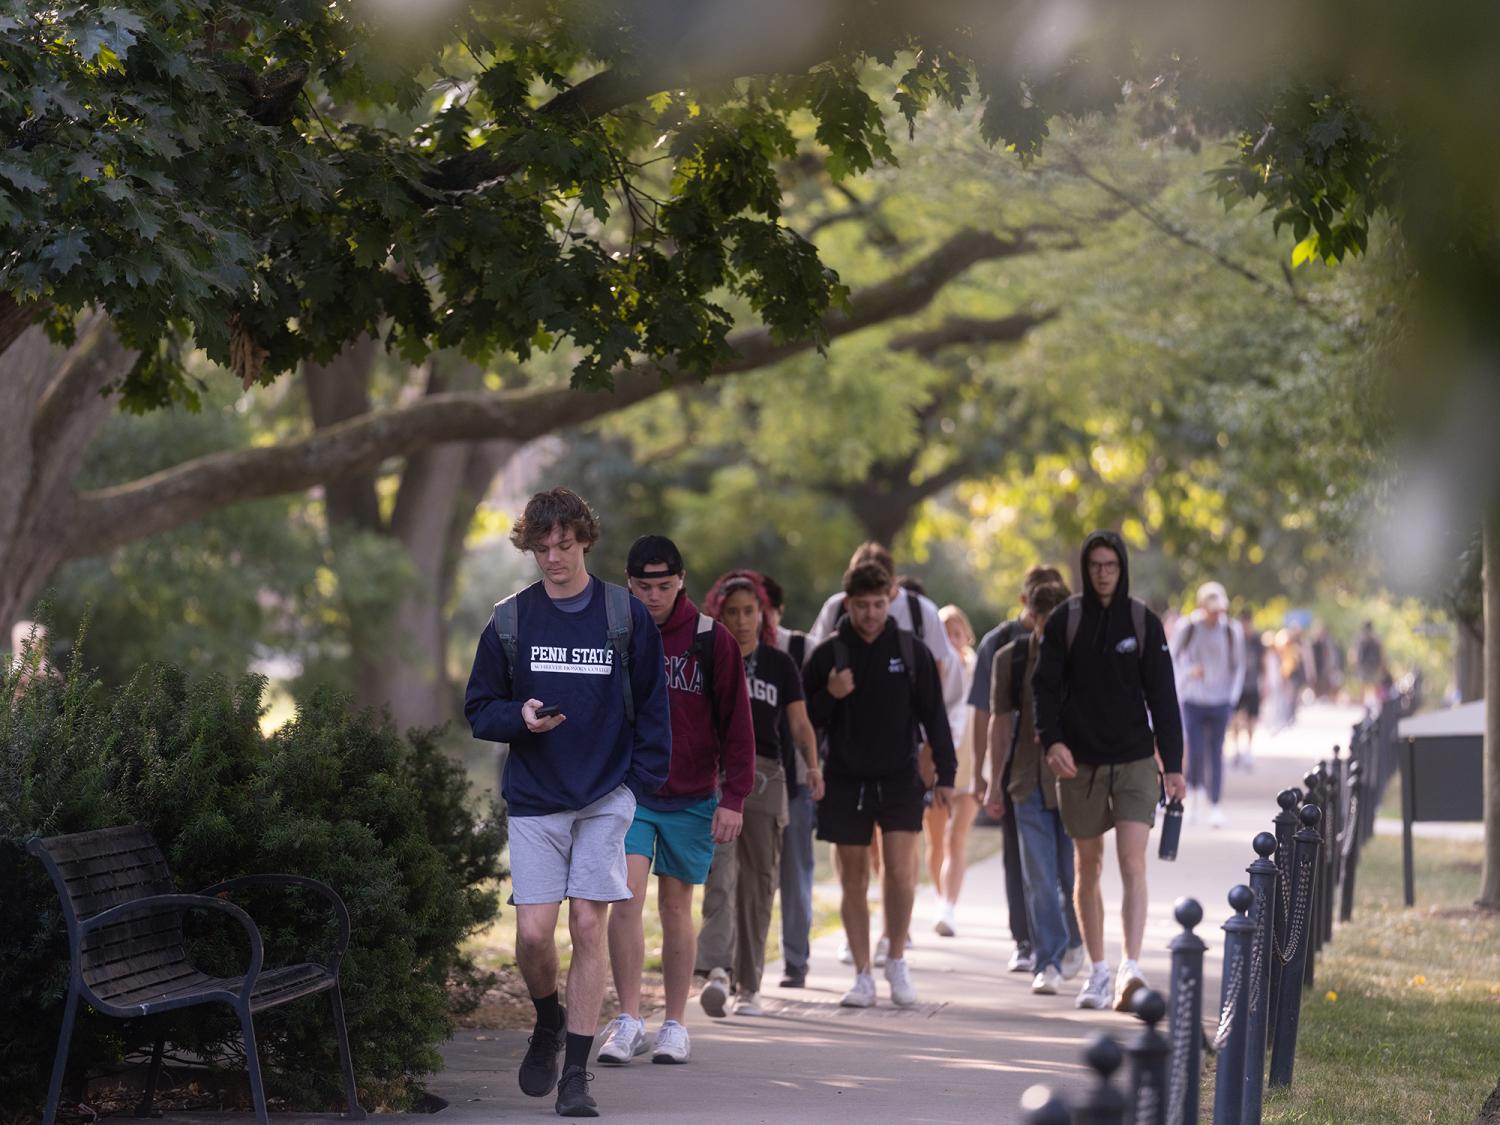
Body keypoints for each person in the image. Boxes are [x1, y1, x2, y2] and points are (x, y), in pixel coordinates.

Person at [465, 488, 672, 1118]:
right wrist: (519, 717)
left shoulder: (623, 615)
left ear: (585, 538)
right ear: (529, 546)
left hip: (605, 797)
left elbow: (653, 708)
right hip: (535, 799)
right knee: (532, 934)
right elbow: (479, 708)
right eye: (541, 547)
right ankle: (549, 1018)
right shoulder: (511, 620)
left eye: (564, 544)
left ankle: (576, 1076)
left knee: (588, 923)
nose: (552, 557)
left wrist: (636, 786)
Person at [601, 536, 754, 1067]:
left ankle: (674, 1024)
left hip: (692, 795)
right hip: (633, 792)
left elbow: (738, 725)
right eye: (643, 586)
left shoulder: (714, 641)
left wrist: (734, 796)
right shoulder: (617, 636)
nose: (654, 596)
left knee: (675, 907)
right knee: (626, 897)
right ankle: (627, 1018)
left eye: (664, 585)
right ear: (629, 584)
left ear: (682, 581)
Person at [1032, 530, 1185, 1012]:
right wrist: (1051, 740)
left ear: (1121, 569)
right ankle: (1097, 971)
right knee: (1087, 865)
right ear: (1085, 568)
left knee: (1132, 862)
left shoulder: (1141, 621)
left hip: (1136, 760)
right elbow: (1044, 689)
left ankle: (1130, 967)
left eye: (1111, 565)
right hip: (1080, 761)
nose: (1103, 573)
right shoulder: (1066, 620)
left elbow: (1163, 695)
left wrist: (1174, 765)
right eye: (1095, 565)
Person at [803, 561, 956, 1009]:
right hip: (845, 778)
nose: (870, 614)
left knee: (902, 872)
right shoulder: (829, 655)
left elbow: (936, 718)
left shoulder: (911, 651)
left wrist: (946, 773)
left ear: (889, 600)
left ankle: (897, 959)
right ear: (847, 603)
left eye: (877, 604)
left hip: (900, 777)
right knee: (852, 877)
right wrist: (829, 694)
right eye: (861, 605)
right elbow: (803, 723)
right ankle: (863, 974)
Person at [693, 572, 824, 1016]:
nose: (743, 620)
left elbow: (800, 724)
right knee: (720, 875)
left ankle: (749, 986)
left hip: (768, 779)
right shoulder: (709, 658)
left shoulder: (779, 665)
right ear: (720, 615)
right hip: (719, 778)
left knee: (758, 885)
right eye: (733, 612)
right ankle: (716, 972)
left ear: (762, 615)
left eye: (750, 612)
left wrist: (813, 766)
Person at [986, 578, 1085, 995]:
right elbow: (999, 722)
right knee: (1040, 876)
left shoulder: (1084, 659)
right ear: (1031, 618)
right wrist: (993, 783)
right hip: (1027, 781)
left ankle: (1076, 940)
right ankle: (1047, 961)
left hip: (1075, 781)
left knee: (1071, 873)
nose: (1046, 630)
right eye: (1041, 621)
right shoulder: (1010, 659)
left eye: (1055, 622)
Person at [969, 565, 1064, 973]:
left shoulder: (1073, 645)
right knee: (1023, 862)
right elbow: (986, 714)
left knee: (1066, 867)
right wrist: (982, 774)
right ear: (1025, 599)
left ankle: (1065, 942)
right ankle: (1029, 942)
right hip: (1017, 770)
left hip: (1067, 775)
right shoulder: (1001, 645)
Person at [761, 574, 818, 989]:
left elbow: (817, 716)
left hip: (795, 778)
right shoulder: (730, 649)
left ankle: (795, 960)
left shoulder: (802, 649)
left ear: (776, 610)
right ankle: (744, 965)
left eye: (761, 610)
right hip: (750, 782)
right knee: (752, 877)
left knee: (795, 873)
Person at [1171, 581, 1245, 828]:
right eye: (1212, 610)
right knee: (1194, 749)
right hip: (1193, 698)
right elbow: (1172, 656)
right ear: (1202, 607)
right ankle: (1193, 797)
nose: (1217, 615)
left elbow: (1238, 667)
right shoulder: (1188, 627)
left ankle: (1215, 804)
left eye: (1220, 610)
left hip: (1220, 700)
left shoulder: (1231, 631)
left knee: (1216, 751)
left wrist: (1232, 699)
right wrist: (1188, 672)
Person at [929, 605, 980, 937]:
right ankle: (941, 898)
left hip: (971, 766)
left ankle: (949, 907)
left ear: (966, 636)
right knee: (935, 842)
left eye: (957, 633)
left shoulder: (978, 670)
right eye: (945, 634)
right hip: (937, 767)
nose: (951, 639)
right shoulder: (931, 671)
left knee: (955, 838)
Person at [1230, 609, 1266, 770]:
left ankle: (1248, 750)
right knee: (1236, 718)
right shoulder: (1235, 640)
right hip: (1237, 686)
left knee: (1252, 719)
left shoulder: (1257, 640)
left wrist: (1264, 684)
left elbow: (1263, 663)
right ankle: (1237, 749)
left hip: (1252, 685)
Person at [1354, 621, 1385, 704]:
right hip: (1374, 664)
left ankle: (1362, 702)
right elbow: (1381, 652)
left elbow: (1357, 653)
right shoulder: (1376, 638)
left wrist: (1356, 665)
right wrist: (1381, 665)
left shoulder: (1361, 638)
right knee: (1376, 684)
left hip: (1363, 665)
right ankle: (1378, 701)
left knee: (1363, 684)